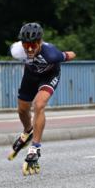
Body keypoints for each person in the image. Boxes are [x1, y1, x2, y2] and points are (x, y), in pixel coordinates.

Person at [8, 22, 77, 174]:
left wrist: (68, 54)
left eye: (33, 45)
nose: (29, 49)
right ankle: (27, 131)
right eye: (26, 45)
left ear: (40, 42)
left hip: (49, 76)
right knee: (22, 110)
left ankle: (35, 147)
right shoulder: (16, 50)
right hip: (30, 76)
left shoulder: (51, 53)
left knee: (39, 105)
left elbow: (71, 54)